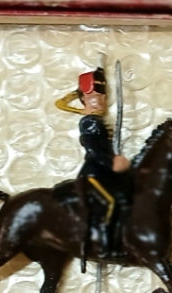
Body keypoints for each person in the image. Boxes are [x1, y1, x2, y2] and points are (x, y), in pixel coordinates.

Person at [55, 68, 131, 258]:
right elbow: (93, 151)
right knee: (111, 202)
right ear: (83, 99)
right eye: (93, 98)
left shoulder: (97, 120)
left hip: (106, 170)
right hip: (94, 171)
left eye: (102, 97)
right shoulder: (89, 122)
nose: (100, 101)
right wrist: (112, 163)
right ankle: (105, 244)